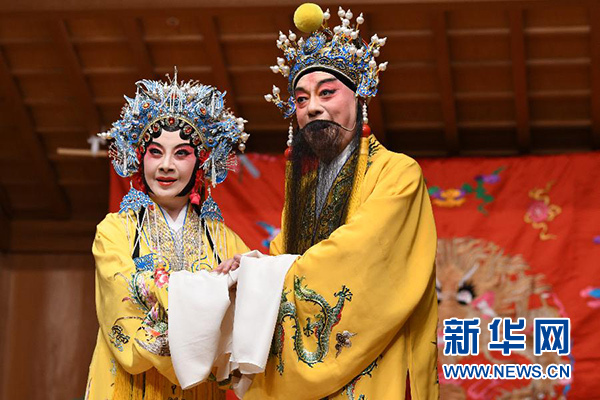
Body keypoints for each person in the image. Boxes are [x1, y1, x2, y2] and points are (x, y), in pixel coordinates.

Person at [218, 4, 438, 399]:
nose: (313, 107)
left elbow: (359, 253)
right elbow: (283, 254)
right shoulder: (304, 189)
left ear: (359, 97)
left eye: (327, 93)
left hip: (374, 359)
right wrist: (250, 268)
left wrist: (265, 275)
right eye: (301, 100)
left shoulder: (398, 173)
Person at [84, 73, 250, 399]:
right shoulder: (114, 231)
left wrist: (246, 276)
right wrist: (215, 289)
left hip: (199, 390)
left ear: (202, 161)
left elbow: (245, 317)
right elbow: (124, 299)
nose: (166, 165)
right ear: (139, 157)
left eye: (182, 153)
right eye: (156, 152)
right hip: (129, 386)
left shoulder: (226, 241)